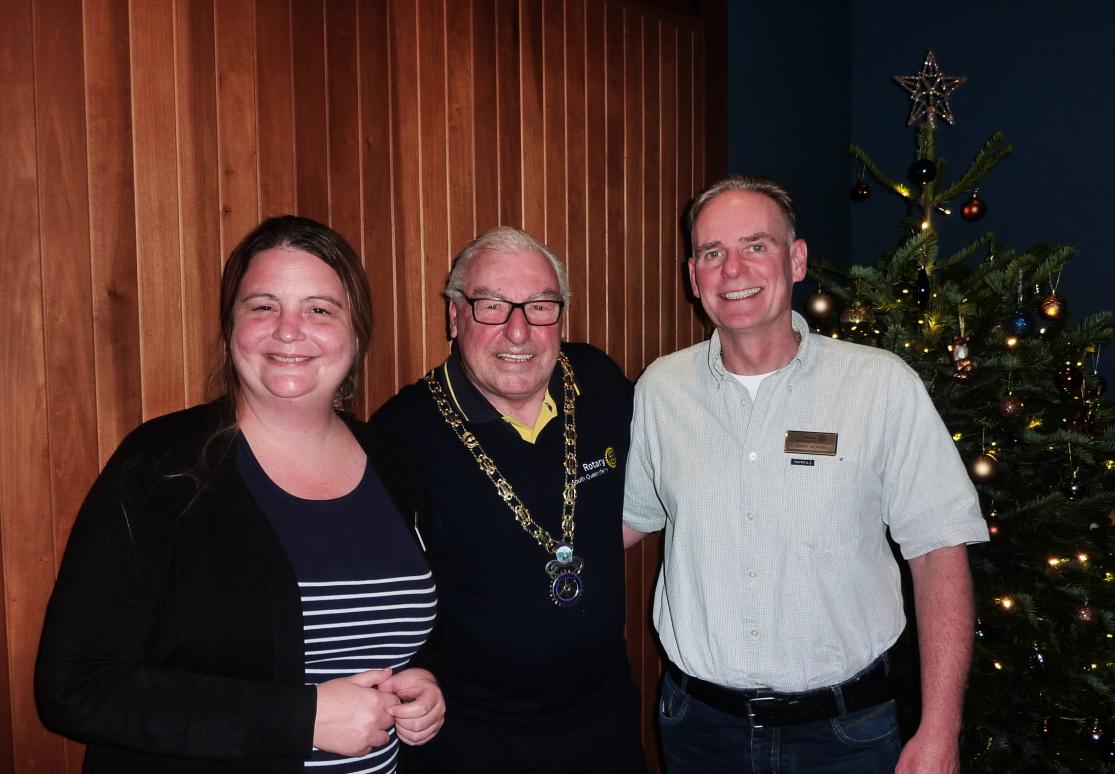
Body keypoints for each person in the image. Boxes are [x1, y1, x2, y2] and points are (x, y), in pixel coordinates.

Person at [36, 215, 444, 773]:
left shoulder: (392, 461)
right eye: (263, 306)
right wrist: (300, 719)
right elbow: (77, 685)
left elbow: (393, 631)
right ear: (231, 327)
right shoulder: (160, 464)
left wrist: (418, 679)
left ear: (357, 331)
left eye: (319, 309)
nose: (288, 330)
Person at [622, 176, 989, 774]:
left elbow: (938, 553)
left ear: (796, 259)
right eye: (713, 254)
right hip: (699, 730)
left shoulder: (879, 385)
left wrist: (941, 730)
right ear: (694, 277)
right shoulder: (661, 390)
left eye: (756, 246)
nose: (733, 270)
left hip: (847, 734)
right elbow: (629, 519)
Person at [370, 226, 645, 773]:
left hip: (606, 724)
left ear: (561, 317)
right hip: (472, 739)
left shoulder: (601, 382)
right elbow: (382, 597)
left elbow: (642, 505)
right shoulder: (399, 434)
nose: (518, 331)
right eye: (492, 306)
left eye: (540, 306)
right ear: (455, 316)